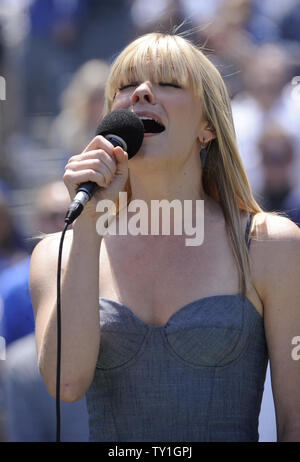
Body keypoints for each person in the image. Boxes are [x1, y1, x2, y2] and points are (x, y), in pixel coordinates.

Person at [29, 32, 300, 442]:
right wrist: (87, 230)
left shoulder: (270, 245)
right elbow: (66, 383)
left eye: (168, 83)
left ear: (208, 126)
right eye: (124, 87)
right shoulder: (60, 251)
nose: (140, 93)